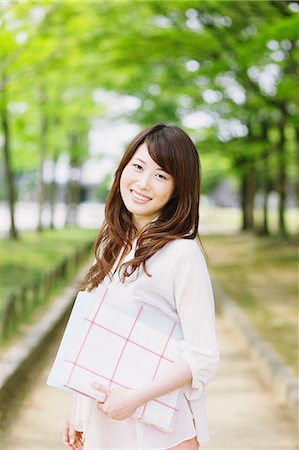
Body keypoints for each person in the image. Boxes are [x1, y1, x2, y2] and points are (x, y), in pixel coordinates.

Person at [63, 124, 219, 450]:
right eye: (138, 166)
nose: (143, 183)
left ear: (178, 188)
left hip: (157, 427)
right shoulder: (114, 243)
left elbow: (203, 356)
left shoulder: (182, 254)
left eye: (161, 175)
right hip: (106, 418)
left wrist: (133, 399)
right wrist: (78, 409)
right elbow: (99, 338)